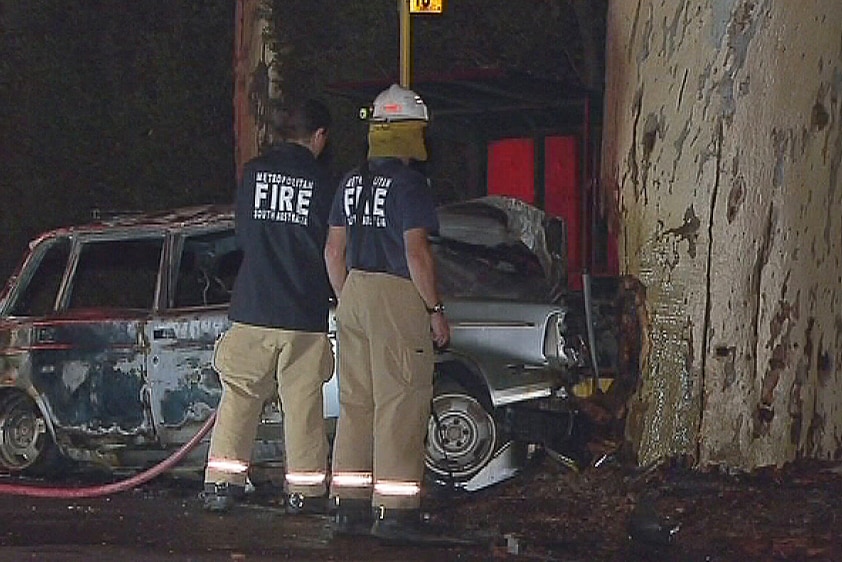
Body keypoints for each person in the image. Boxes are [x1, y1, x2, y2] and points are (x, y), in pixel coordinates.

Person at [324, 84, 454, 544]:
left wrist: (349, 299)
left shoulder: (350, 181)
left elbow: (333, 250)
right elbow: (416, 254)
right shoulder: (409, 185)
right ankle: (395, 511)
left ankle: (349, 504)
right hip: (396, 294)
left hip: (353, 292)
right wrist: (434, 310)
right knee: (402, 401)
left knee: (357, 403)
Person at [202, 98, 335, 515]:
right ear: (318, 136)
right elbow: (331, 247)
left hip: (252, 308)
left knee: (239, 397)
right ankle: (305, 493)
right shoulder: (324, 181)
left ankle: (222, 485)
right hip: (302, 313)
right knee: (303, 406)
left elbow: (242, 235)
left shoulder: (254, 174)